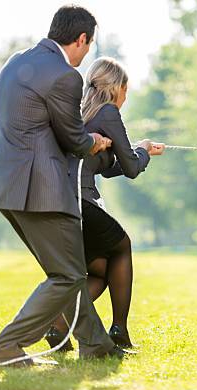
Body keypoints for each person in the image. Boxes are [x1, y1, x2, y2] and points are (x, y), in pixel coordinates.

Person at [0, 5, 126, 366]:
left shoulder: (15, 61)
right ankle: (5, 346)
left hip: (7, 185)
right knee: (66, 274)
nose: (86, 53)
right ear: (80, 39)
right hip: (42, 189)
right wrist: (94, 141)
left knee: (70, 269)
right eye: (88, 45)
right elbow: (73, 138)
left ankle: (95, 344)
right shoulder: (65, 75)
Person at [45, 57, 164, 351]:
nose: (126, 97)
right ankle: (119, 330)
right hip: (80, 201)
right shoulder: (109, 112)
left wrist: (136, 154)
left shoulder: (83, 113)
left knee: (100, 270)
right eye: (126, 90)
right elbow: (133, 168)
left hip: (64, 201)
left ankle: (58, 329)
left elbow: (109, 166)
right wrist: (144, 150)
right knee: (122, 245)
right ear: (117, 88)